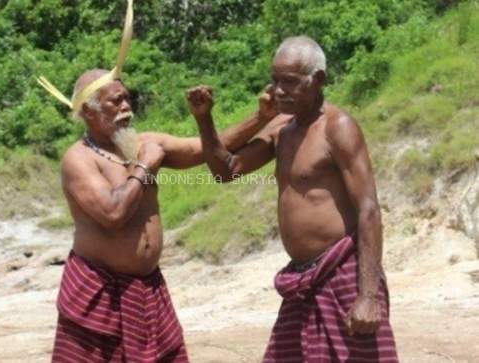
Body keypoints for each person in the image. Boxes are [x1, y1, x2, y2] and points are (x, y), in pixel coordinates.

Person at [190, 36, 399, 362]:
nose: (277, 90)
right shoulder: (281, 130)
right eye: (274, 80)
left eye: (289, 82)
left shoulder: (338, 127)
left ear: (318, 80)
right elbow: (224, 171)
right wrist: (205, 118)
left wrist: (368, 295)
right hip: (301, 281)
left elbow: (369, 210)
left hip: (343, 274)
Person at [51, 68, 277, 363]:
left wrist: (260, 117)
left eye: (127, 99)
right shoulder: (78, 159)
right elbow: (112, 213)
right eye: (115, 102)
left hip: (147, 289)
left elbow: (207, 149)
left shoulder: (144, 144)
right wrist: (144, 167)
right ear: (89, 112)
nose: (126, 106)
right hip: (99, 295)